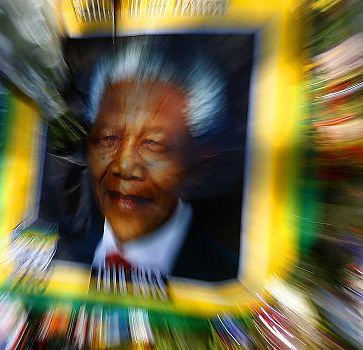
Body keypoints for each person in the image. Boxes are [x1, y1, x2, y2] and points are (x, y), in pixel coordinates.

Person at [64, 41, 238, 281]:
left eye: (152, 144)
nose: (123, 166)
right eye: (109, 138)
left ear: (200, 165)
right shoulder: (55, 257)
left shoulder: (226, 284)